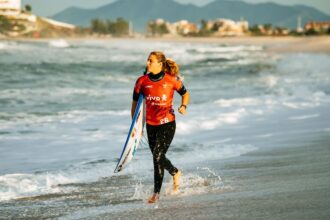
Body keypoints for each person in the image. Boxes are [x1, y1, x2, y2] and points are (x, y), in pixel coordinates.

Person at [131, 51, 190, 203]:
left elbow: (185, 93)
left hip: (167, 124)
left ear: (160, 64)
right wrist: (136, 126)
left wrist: (183, 106)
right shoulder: (141, 82)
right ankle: (159, 190)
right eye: (147, 60)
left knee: (158, 155)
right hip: (151, 125)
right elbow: (135, 105)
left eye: (151, 61)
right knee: (156, 159)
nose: (147, 63)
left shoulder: (172, 80)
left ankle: (172, 175)